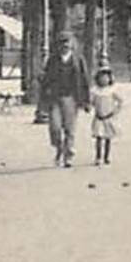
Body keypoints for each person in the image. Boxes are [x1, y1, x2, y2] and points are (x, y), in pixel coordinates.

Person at [40, 34, 90, 167]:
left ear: (72, 44)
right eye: (62, 43)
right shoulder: (52, 60)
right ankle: (59, 148)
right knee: (55, 127)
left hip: (71, 98)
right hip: (55, 98)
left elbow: (84, 80)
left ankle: (68, 156)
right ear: (58, 45)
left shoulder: (78, 60)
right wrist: (43, 101)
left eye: (67, 42)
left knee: (70, 128)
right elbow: (46, 80)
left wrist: (86, 101)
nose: (65, 45)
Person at [90, 67, 123, 166]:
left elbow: (120, 101)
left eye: (106, 77)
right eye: (101, 77)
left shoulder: (111, 90)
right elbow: (91, 101)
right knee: (99, 137)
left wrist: (116, 111)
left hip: (109, 117)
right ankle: (98, 156)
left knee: (108, 137)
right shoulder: (95, 91)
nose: (104, 80)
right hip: (99, 117)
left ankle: (106, 156)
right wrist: (89, 106)